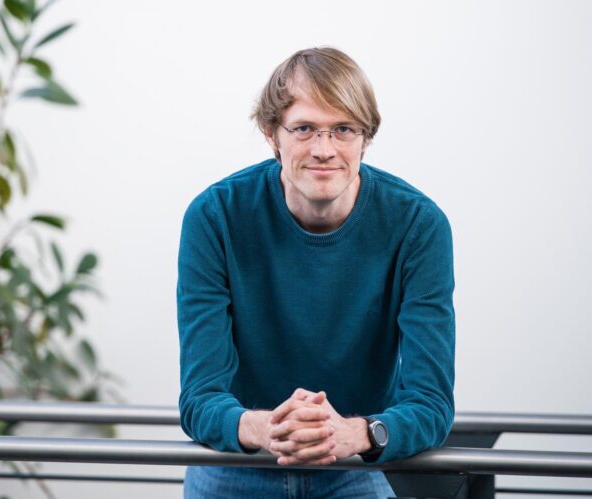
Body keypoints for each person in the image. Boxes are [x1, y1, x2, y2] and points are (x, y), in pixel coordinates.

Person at [177, 47, 455, 498]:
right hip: (237, 460)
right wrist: (269, 428)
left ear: (365, 138)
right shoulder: (215, 217)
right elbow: (199, 399)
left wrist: (355, 433)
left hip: (354, 462)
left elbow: (431, 404)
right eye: (304, 129)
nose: (324, 150)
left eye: (343, 129)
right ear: (272, 134)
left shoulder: (418, 225)